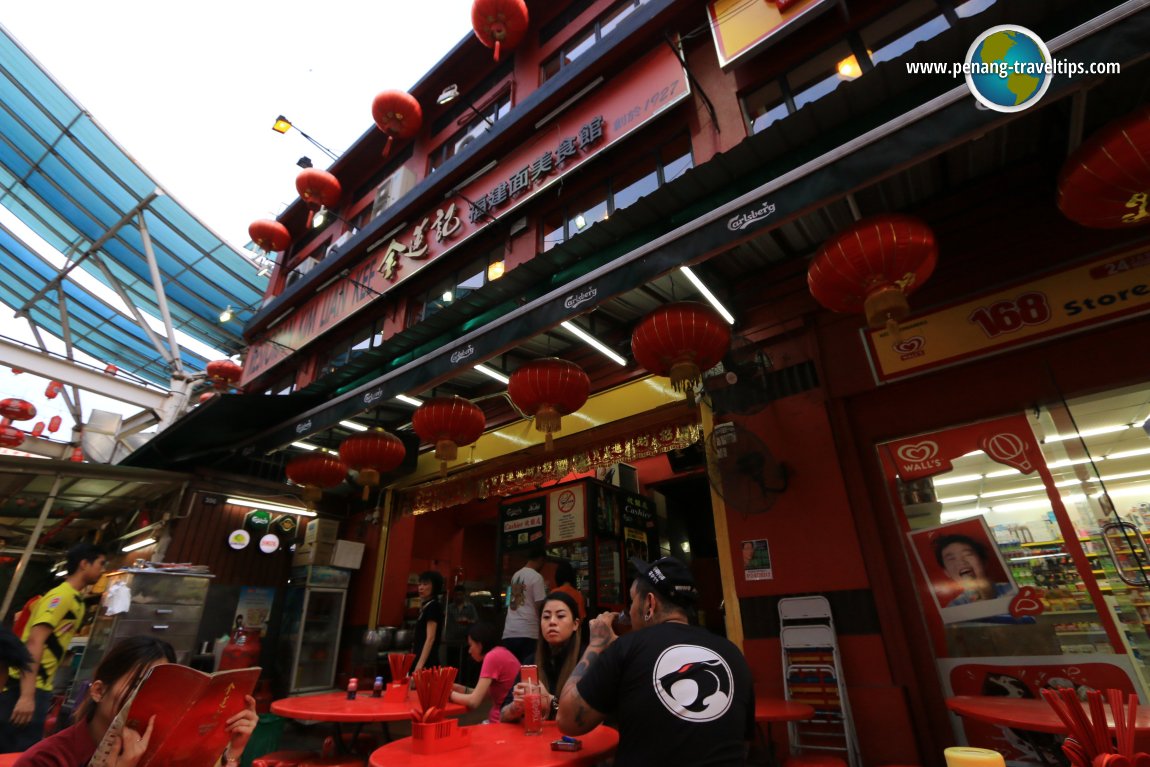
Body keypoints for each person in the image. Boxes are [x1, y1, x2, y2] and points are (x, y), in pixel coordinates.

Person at [557, 556, 755, 766]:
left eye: (632, 602)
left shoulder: (627, 648)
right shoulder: (733, 654)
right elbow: (742, 744)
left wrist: (597, 643)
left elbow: (568, 719)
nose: (630, 611)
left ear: (650, 604)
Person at [15, 636, 258, 767]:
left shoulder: (159, 753)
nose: (150, 698)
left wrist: (232, 752)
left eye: (162, 689)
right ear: (99, 691)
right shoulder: (47, 759)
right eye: (138, 685)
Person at [2, 543, 107, 753]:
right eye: (101, 563)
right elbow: (35, 641)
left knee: (22, 750)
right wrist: (27, 695)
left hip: (37, 686)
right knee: (16, 752)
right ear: (84, 564)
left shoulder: (76, 601)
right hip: (26, 685)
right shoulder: (61, 597)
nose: (103, 569)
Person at [501, 591, 582, 723]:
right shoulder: (531, 661)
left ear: (575, 624)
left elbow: (592, 717)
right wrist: (516, 706)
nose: (552, 622)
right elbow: (502, 715)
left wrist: (550, 702)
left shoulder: (586, 659)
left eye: (560, 616)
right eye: (546, 617)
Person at [448, 623, 520, 723]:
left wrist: (448, 694)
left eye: (470, 645)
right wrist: (459, 689)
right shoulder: (500, 652)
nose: (469, 651)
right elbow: (483, 695)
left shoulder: (492, 657)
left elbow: (474, 701)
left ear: (479, 644)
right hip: (508, 720)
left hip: (501, 723)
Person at [934, 534, 1014, 605]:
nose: (961, 562)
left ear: (983, 562)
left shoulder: (1012, 590)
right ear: (947, 572)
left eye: (967, 554)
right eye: (951, 559)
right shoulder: (954, 607)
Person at [502, 546, 547, 664]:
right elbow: (540, 606)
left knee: (512, 671)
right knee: (528, 672)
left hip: (510, 631)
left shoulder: (515, 576)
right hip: (528, 632)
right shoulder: (537, 577)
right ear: (541, 559)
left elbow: (511, 603)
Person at [411, 570, 444, 675]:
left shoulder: (433, 606)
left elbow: (430, 638)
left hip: (427, 661)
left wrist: (420, 665)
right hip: (421, 657)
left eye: (425, 584)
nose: (420, 587)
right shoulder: (426, 606)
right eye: (420, 584)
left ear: (435, 587)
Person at [443, 585, 478, 672]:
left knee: (463, 666)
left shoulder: (470, 607)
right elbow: (445, 621)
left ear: (464, 595)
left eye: (460, 594)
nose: (458, 597)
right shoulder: (449, 607)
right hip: (451, 640)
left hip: (465, 641)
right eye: (457, 595)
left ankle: (462, 683)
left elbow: (476, 621)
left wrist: (468, 621)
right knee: (451, 665)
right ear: (454, 595)